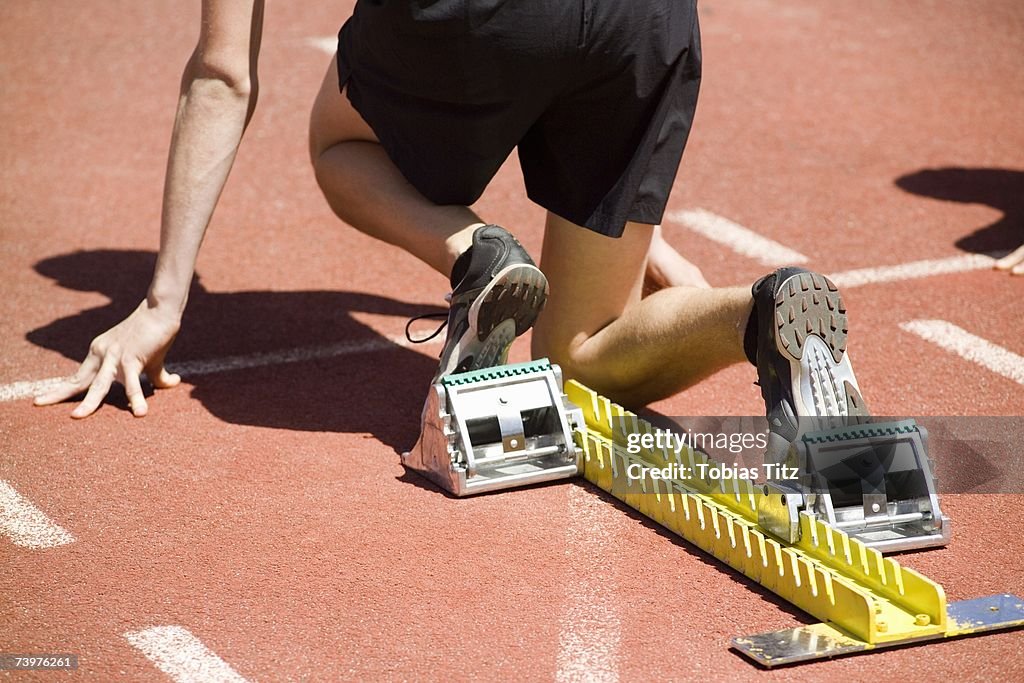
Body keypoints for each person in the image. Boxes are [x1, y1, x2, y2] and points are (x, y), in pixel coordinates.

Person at [36, 0, 869, 458]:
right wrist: (633, 228)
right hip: (646, 22)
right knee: (577, 354)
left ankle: (472, 250)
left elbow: (223, 73)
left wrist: (163, 299)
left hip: (478, 18)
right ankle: (761, 315)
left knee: (339, 143)